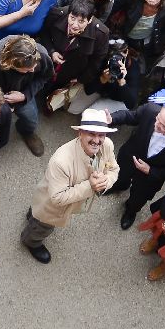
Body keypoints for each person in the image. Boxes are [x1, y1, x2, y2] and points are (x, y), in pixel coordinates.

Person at [22, 109, 119, 264]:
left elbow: (113, 169)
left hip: (71, 202)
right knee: (43, 225)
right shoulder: (61, 161)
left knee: (36, 214)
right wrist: (91, 186)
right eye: (91, 134)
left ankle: (33, 214)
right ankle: (30, 241)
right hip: (53, 206)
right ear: (79, 133)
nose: (97, 140)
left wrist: (106, 181)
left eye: (101, 134)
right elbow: (57, 198)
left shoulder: (107, 145)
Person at [106, 101, 165, 229]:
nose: (156, 125)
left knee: (138, 199)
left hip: (149, 178)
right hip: (129, 158)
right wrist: (112, 118)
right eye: (158, 119)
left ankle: (130, 211)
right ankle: (120, 185)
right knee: (120, 176)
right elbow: (131, 116)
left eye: (163, 126)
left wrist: (151, 171)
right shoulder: (150, 110)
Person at [0, 34, 54, 157]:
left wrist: (25, 95)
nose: (33, 70)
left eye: (34, 66)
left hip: (23, 93)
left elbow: (45, 76)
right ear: (10, 64)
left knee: (31, 119)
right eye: (27, 70)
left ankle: (26, 132)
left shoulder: (40, 55)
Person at [39, 0, 110, 97]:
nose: (75, 25)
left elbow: (97, 60)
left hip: (70, 72)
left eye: (81, 21)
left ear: (89, 20)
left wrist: (82, 79)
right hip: (47, 65)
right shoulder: (56, 14)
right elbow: (44, 33)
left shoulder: (101, 33)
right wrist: (52, 51)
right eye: (72, 18)